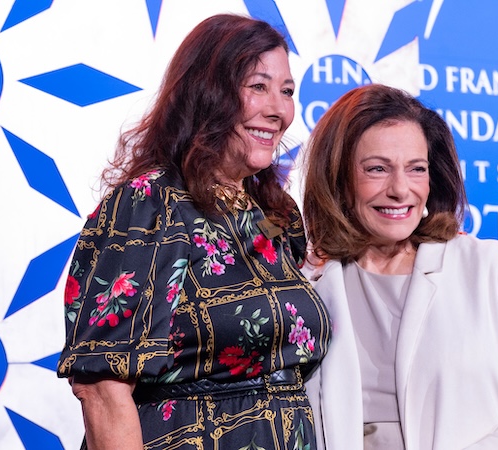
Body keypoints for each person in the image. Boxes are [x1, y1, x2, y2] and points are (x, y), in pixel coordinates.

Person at [57, 14, 331, 450]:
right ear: (207, 93)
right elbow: (101, 386)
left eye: (286, 91)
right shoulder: (149, 204)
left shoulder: (276, 213)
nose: (279, 110)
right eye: (257, 86)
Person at [301, 84, 498, 449]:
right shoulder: (307, 283)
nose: (400, 189)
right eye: (377, 169)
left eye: (416, 169)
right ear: (338, 178)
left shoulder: (488, 268)